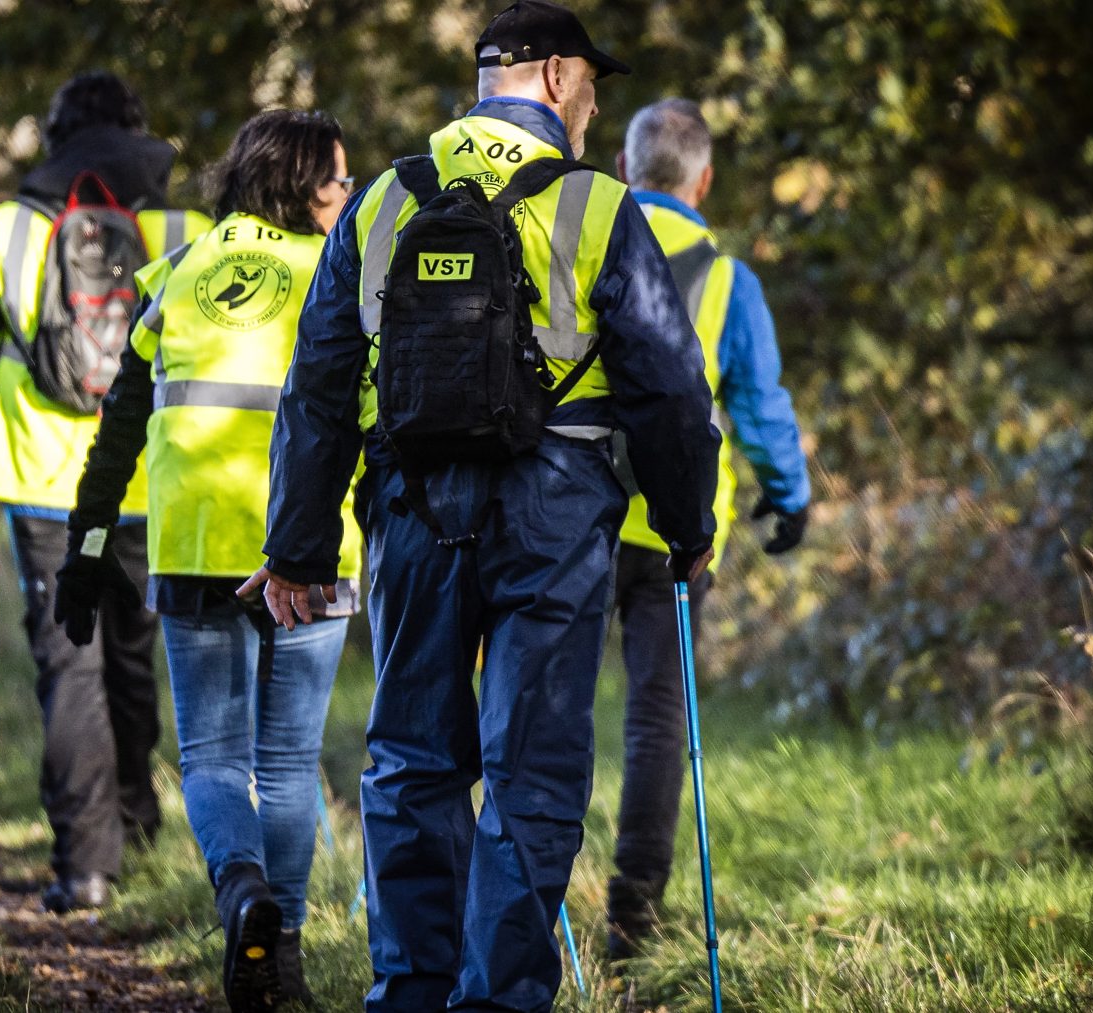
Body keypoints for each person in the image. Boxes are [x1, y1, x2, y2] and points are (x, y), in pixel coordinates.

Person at [247, 3, 721, 1008]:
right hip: (554, 516)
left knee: (412, 760)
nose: (595, 103)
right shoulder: (597, 208)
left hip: (412, 508)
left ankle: (410, 992)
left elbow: (319, 384)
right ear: (553, 78)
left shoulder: (383, 200)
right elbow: (671, 393)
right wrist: (686, 529)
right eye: (592, 82)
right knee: (530, 766)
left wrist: (297, 545)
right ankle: (498, 998)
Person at [60, 110, 359, 1011]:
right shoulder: (335, 274)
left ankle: (242, 899)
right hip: (306, 553)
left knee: (217, 762)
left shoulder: (181, 269)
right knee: (291, 759)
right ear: (302, 185)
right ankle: (286, 960)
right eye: (339, 181)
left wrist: (88, 543)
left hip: (191, 548)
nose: (348, 196)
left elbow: (120, 426)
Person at [0, 71, 213, 914]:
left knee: (68, 666)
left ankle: (86, 863)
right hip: (151, 483)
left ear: (55, 138)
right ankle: (139, 822)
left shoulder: (12, 228)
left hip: (45, 484)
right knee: (131, 651)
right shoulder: (184, 229)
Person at [603, 98, 812, 960]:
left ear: (626, 169)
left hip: (566, 515)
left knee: (542, 700)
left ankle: (520, 901)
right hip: (675, 532)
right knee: (657, 718)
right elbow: (759, 405)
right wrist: (789, 495)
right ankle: (632, 914)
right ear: (705, 179)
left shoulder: (588, 239)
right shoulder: (727, 280)